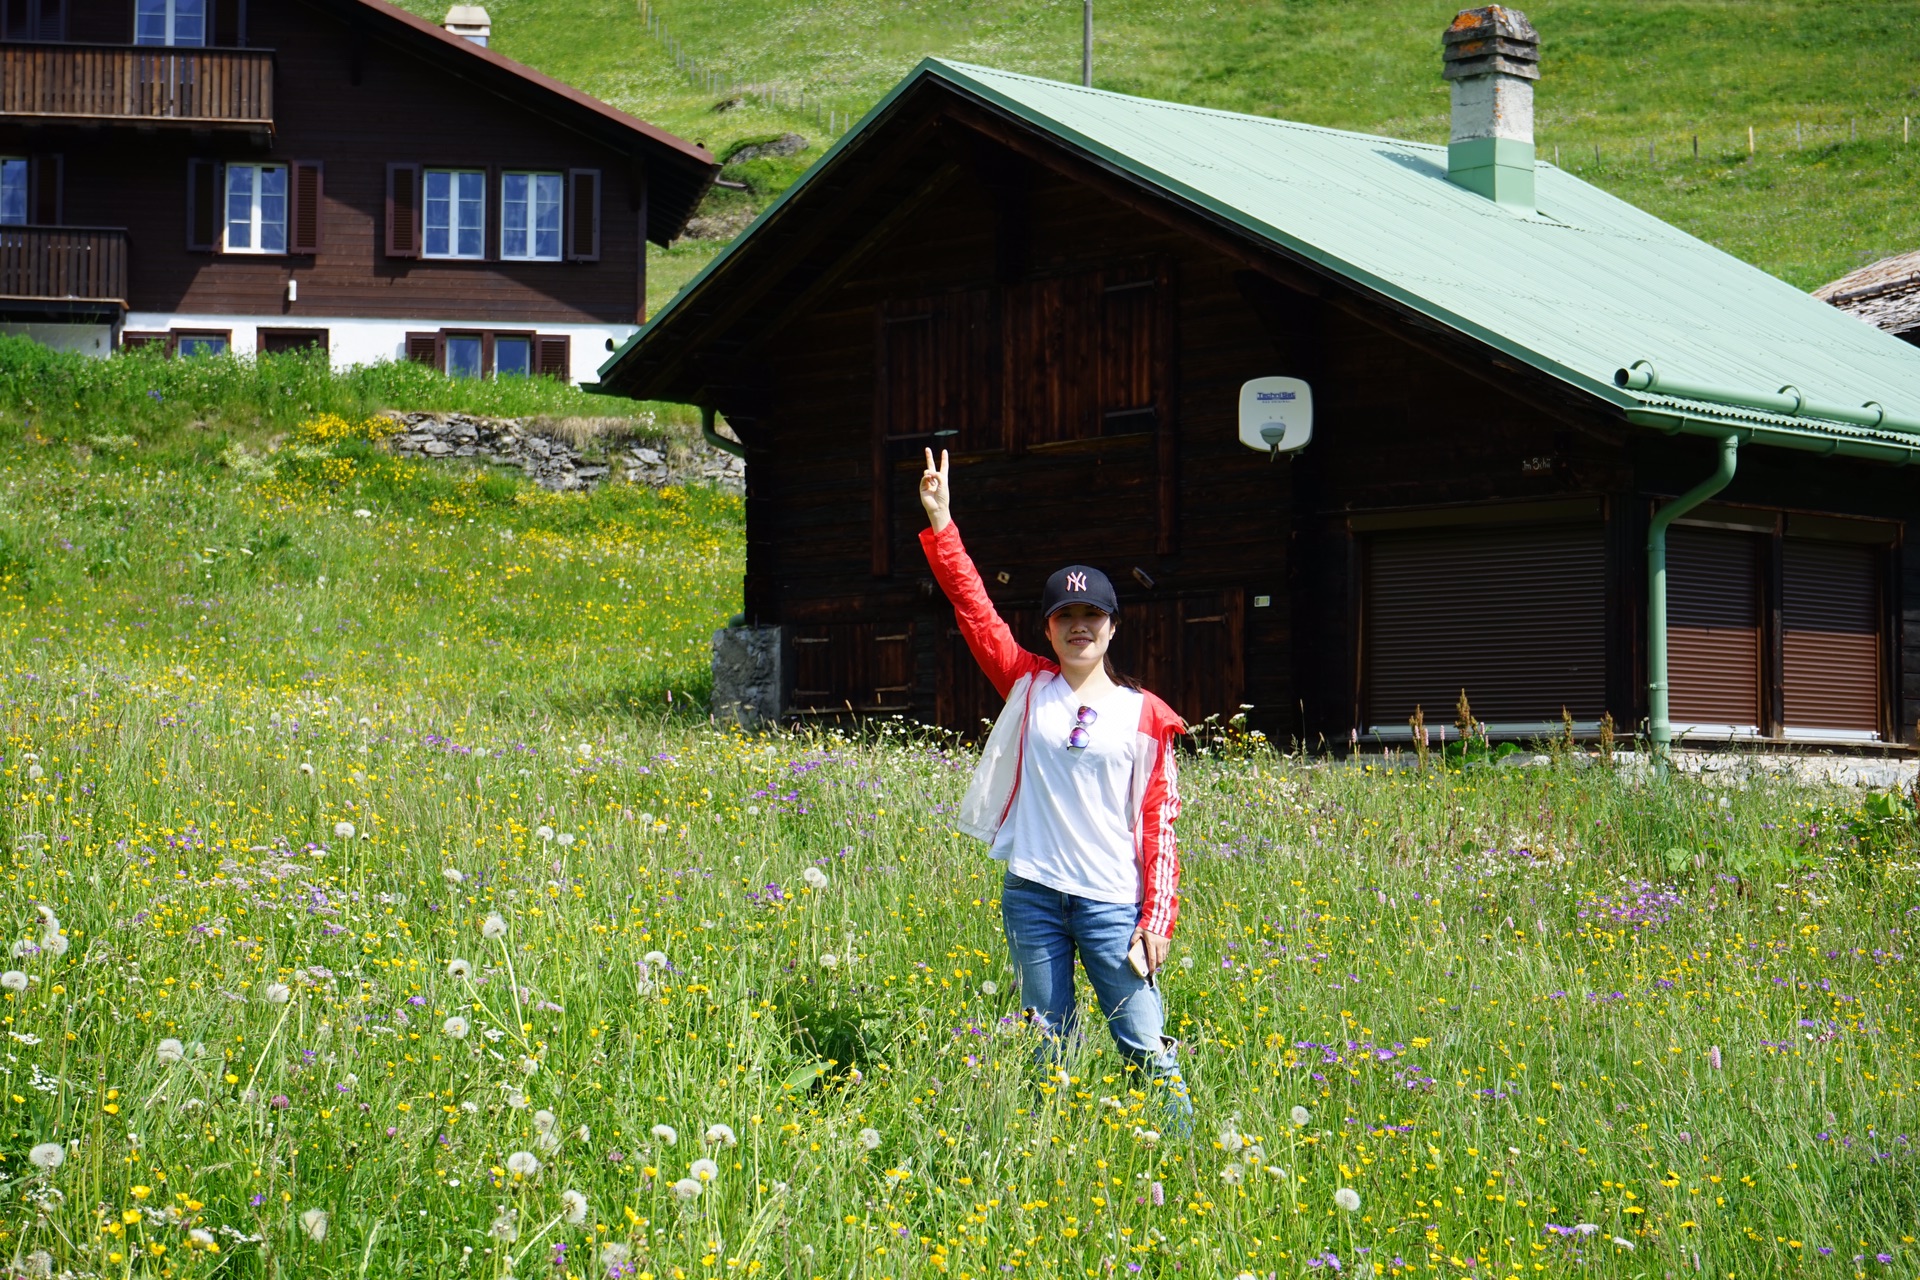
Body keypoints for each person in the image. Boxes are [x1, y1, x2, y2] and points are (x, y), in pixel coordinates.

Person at [917, 447, 1193, 1130]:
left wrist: (1156, 921)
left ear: (1112, 626)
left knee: (1146, 1046)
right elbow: (974, 609)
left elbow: (1160, 828)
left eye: (1092, 615)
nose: (1079, 625)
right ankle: (1054, 1158)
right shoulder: (1027, 684)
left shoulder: (1145, 716)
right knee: (1046, 1045)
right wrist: (942, 521)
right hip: (1033, 892)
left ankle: (1187, 1163)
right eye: (1065, 615)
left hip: (1110, 903)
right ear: (1046, 628)